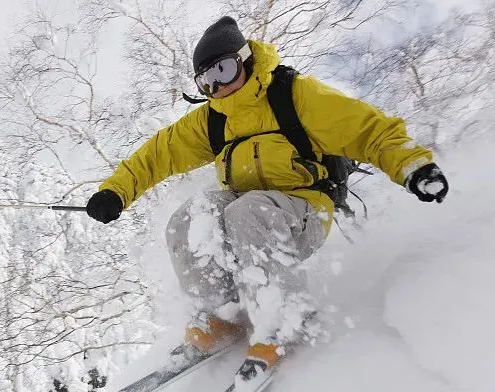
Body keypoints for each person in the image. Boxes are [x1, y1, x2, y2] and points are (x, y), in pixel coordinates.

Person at [85, 16, 449, 371]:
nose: (218, 87)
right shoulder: (213, 119)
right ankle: (220, 316)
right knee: (193, 215)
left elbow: (366, 129)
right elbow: (157, 154)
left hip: (305, 211)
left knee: (248, 211)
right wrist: (115, 192)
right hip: (246, 213)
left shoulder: (295, 96)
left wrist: (413, 166)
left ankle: (287, 319)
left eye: (223, 71)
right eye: (206, 81)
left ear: (245, 60)